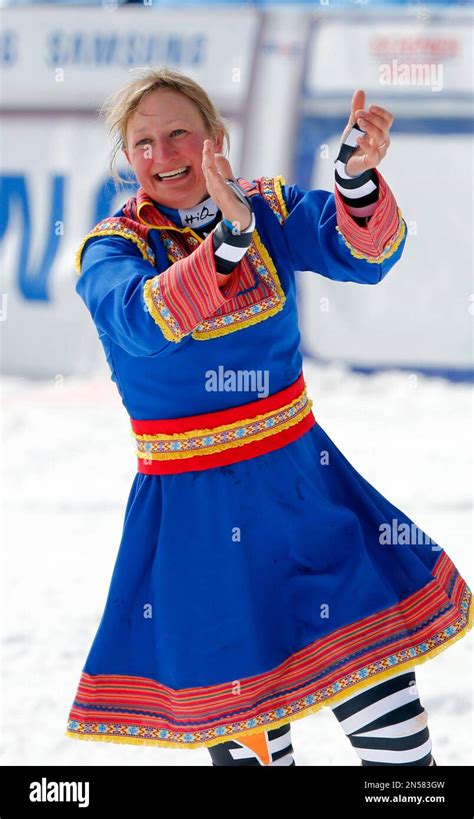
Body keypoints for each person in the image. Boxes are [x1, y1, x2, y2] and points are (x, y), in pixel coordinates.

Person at [65, 67, 472, 766]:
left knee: (394, 731)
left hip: (303, 495)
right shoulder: (112, 249)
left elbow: (364, 252)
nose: (163, 155)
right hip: (195, 523)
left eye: (179, 134)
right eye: (143, 143)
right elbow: (142, 320)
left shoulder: (268, 208)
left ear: (216, 139)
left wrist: (354, 181)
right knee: (253, 755)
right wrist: (227, 241)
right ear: (127, 158)